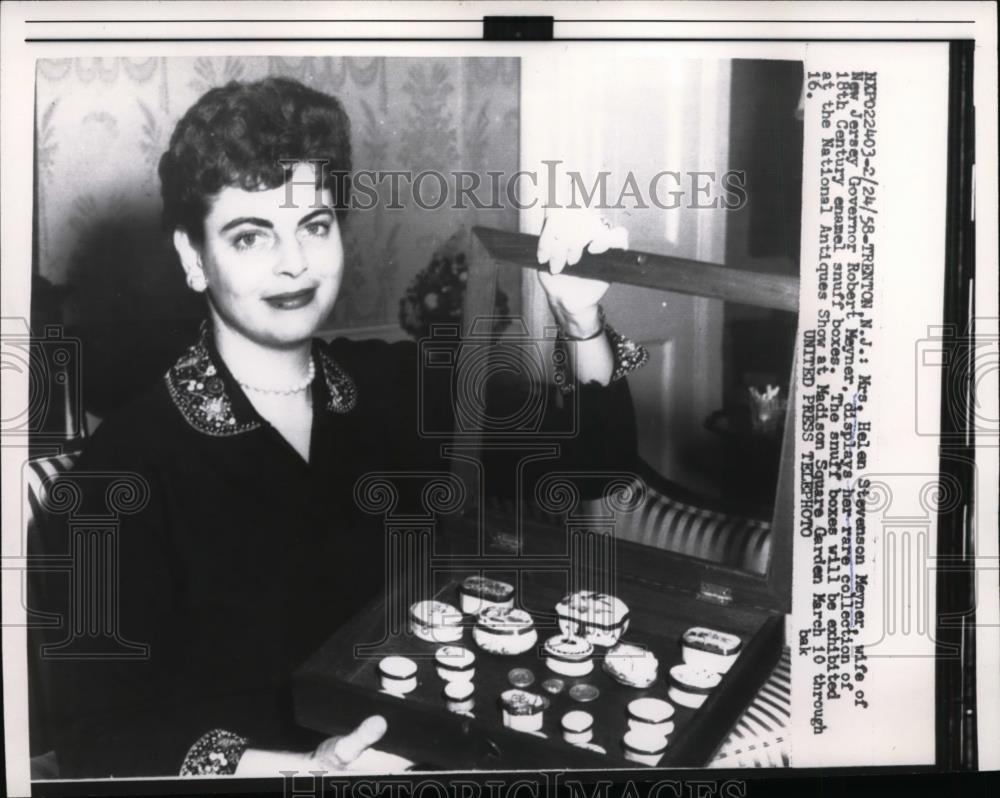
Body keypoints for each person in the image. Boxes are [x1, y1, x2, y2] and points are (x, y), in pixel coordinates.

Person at [43, 76, 647, 779]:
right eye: (250, 235)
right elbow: (98, 739)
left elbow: (595, 462)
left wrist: (581, 318)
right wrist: (302, 769)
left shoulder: (394, 386)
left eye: (315, 225)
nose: (293, 261)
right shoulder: (115, 476)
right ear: (190, 255)